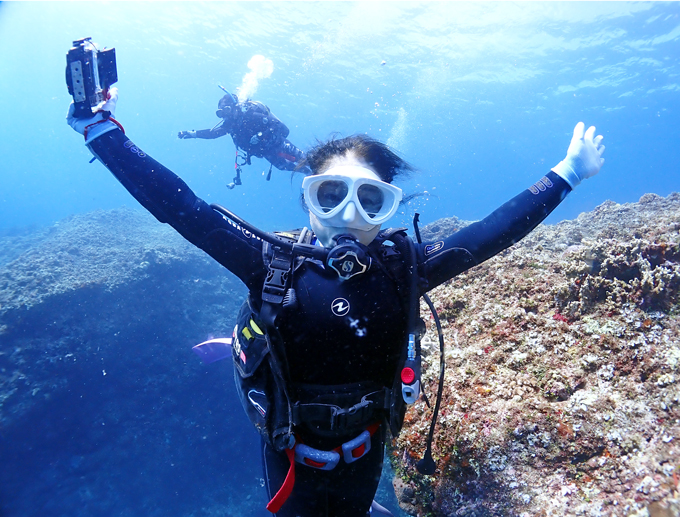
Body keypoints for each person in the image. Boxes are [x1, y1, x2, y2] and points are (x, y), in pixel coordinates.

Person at [67, 86, 605, 516]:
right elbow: (184, 208)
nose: (349, 214)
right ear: (308, 198)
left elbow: (490, 233)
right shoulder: (269, 261)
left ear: (388, 208)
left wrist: (567, 174)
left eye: (369, 200)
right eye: (331, 195)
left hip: (365, 450)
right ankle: (241, 340)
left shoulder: (404, 269)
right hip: (290, 454)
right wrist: (103, 134)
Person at [178, 90, 309, 188]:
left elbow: (276, 124)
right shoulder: (230, 125)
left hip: (277, 143)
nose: (226, 115)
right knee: (282, 166)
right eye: (221, 113)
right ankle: (309, 173)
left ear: (234, 106)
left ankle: (318, 164)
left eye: (227, 110)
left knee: (303, 157)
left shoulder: (250, 115)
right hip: (265, 152)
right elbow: (212, 134)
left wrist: (261, 135)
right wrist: (191, 134)